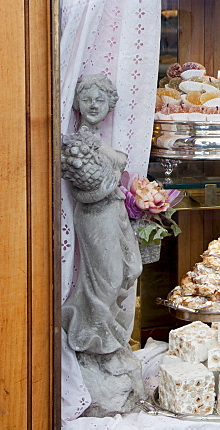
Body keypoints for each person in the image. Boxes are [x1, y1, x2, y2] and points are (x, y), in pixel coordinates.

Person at [61, 74, 143, 413]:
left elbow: (114, 170)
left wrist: (120, 191)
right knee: (105, 281)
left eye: (102, 100)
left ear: (110, 106)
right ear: (78, 103)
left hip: (115, 212)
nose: (94, 104)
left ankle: (100, 336)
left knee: (132, 269)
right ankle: (97, 348)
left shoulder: (95, 141)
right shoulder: (74, 143)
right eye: (88, 98)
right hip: (95, 215)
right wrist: (113, 186)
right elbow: (89, 190)